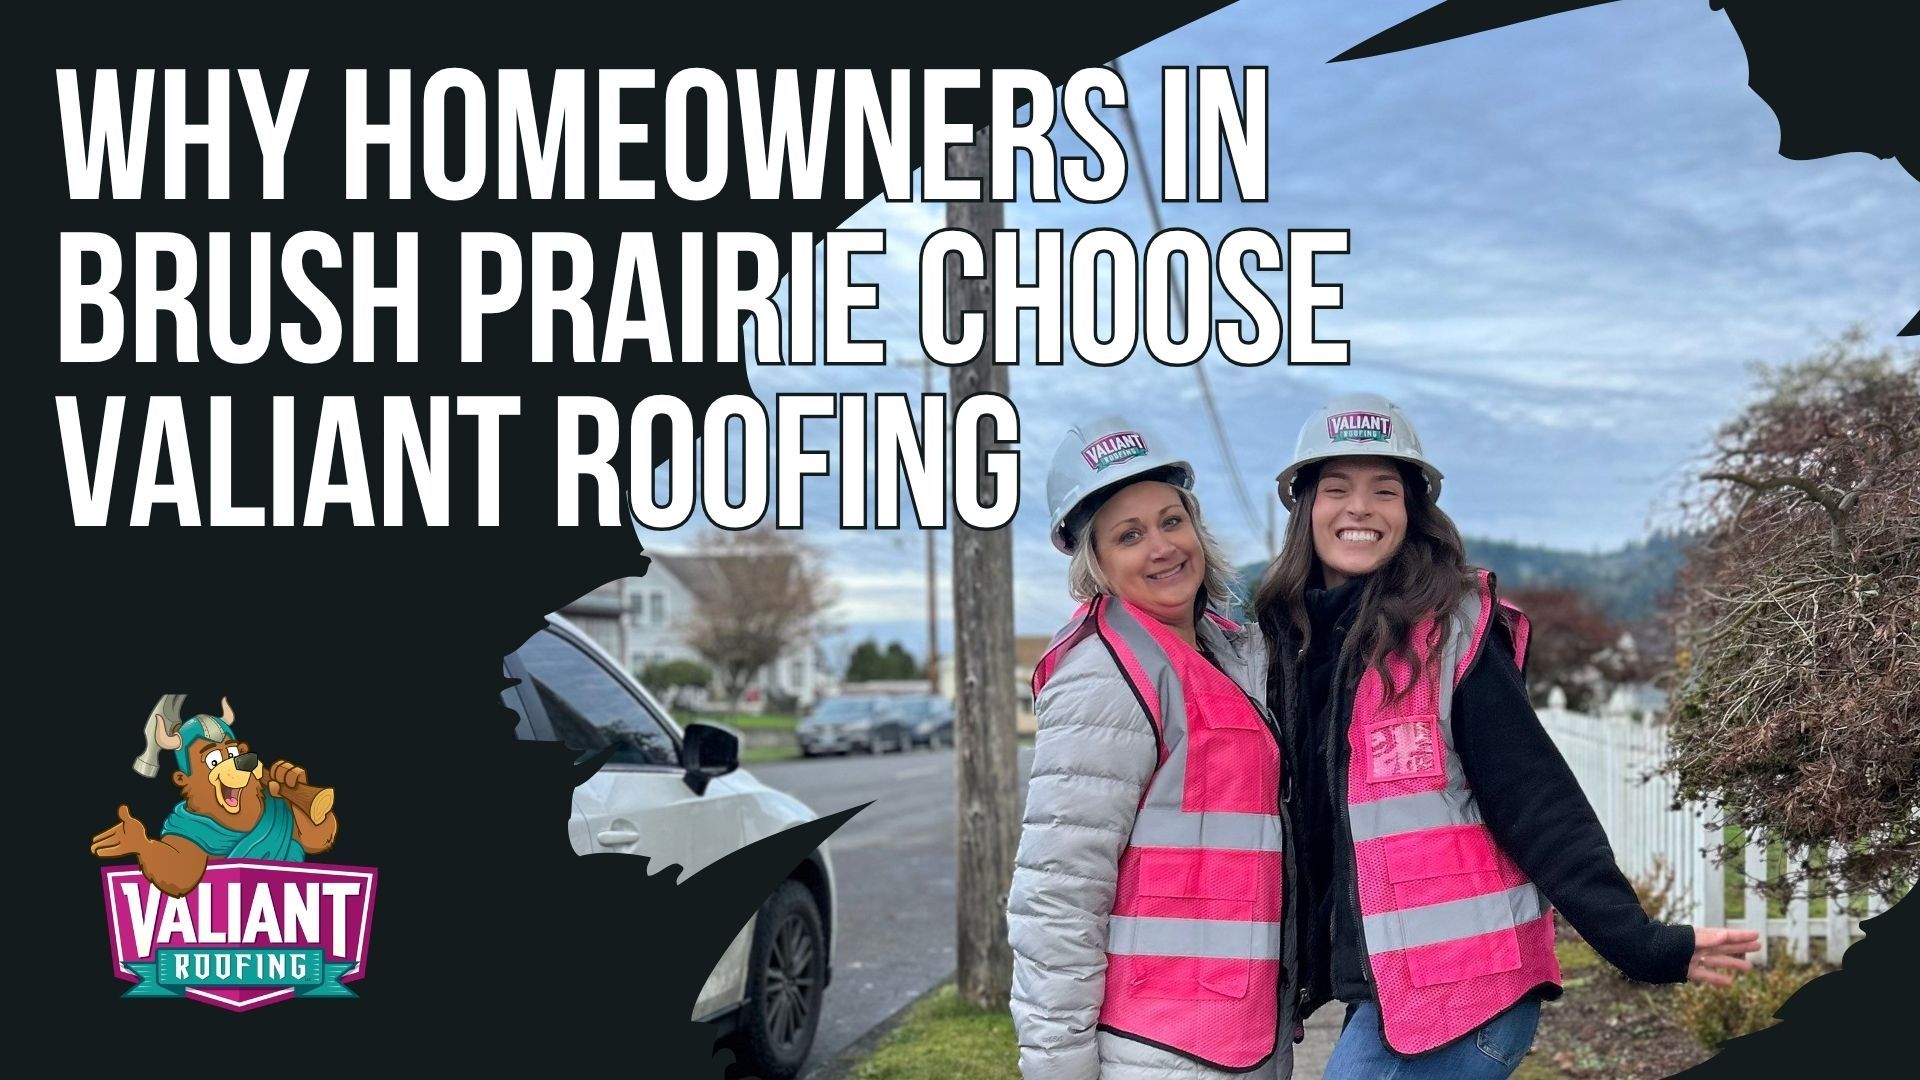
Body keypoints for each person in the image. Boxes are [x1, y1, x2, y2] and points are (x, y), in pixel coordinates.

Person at [1253, 392, 1761, 1077]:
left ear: (1413, 511)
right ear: (1304, 507)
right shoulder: (1289, 647)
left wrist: (1639, 943)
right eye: (1336, 488)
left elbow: (1535, 800)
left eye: (1384, 490)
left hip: (1470, 989)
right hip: (1391, 989)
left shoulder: (1451, 634)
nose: (1360, 508)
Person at [1008, 416, 1297, 1079]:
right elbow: (1059, 895)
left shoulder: (1229, 651)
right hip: (1160, 1050)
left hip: (1243, 1036)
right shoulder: (1102, 675)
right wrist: (1059, 1068)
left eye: (1172, 521)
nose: (1162, 547)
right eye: (1129, 535)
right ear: (1096, 563)